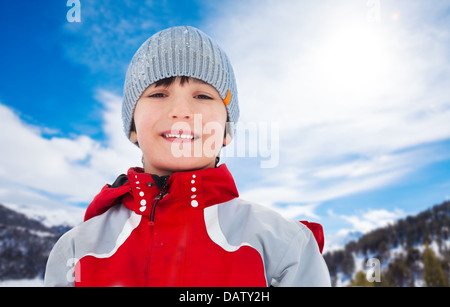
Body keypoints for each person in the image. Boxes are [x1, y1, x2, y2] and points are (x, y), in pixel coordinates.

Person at [44, 26, 331, 287]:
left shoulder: (284, 248)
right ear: (132, 127)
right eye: (158, 94)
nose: (182, 112)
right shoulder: (76, 251)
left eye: (203, 96)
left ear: (226, 131)